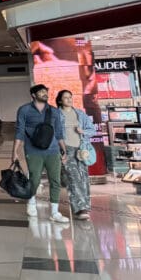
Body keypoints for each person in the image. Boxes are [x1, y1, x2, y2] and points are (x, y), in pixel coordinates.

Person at [14, 84, 68, 222]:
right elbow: (19, 132)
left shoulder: (54, 111)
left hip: (53, 150)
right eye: (41, 92)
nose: (45, 94)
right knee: (34, 179)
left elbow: (59, 132)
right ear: (33, 95)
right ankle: (31, 202)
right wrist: (15, 152)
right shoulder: (24, 110)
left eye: (46, 91)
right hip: (33, 151)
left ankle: (55, 212)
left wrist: (64, 150)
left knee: (55, 181)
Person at [56, 89, 95, 220]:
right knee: (73, 179)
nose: (69, 99)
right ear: (60, 100)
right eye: (66, 97)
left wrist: (82, 130)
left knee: (84, 179)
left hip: (81, 150)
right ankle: (79, 209)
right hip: (66, 150)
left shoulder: (80, 114)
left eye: (70, 97)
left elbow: (92, 130)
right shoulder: (56, 114)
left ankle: (85, 206)